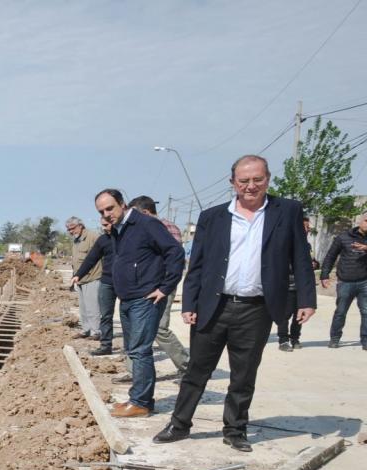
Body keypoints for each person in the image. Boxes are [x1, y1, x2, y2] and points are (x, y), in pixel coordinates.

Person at [154, 155, 316, 452]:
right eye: (244, 181)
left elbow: (301, 257)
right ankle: (179, 424)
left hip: (257, 308)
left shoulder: (287, 211)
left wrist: (306, 298)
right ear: (233, 183)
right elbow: (197, 264)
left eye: (257, 179)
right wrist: (189, 303)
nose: (251, 186)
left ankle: (235, 429)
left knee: (244, 374)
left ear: (268, 179)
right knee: (197, 371)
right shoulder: (212, 217)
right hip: (213, 306)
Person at [93, 188, 185, 418]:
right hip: (127, 297)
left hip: (145, 297)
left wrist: (165, 287)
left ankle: (141, 403)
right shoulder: (119, 229)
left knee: (140, 350)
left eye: (110, 208)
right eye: (101, 212)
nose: (106, 215)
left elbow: (175, 252)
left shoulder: (146, 224)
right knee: (133, 350)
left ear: (122, 204)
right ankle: (138, 398)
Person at [124, 196, 189, 375]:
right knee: (135, 328)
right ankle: (135, 372)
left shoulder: (165, 228)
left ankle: (187, 366)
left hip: (161, 287)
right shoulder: (140, 228)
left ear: (145, 212)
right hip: (143, 287)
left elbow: (174, 259)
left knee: (159, 329)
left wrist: (164, 287)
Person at [320, 210, 367, 350]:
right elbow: (330, 256)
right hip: (345, 281)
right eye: (366, 221)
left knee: (366, 312)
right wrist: (324, 275)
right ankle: (334, 339)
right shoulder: (343, 237)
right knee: (340, 312)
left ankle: (365, 341)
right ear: (360, 221)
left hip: (364, 282)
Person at [73, 220, 117, 354]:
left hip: (126, 281)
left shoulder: (127, 237)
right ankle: (105, 346)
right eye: (103, 225)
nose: (104, 228)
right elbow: (91, 258)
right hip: (107, 281)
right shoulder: (103, 239)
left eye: (107, 225)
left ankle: (132, 348)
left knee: (127, 315)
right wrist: (79, 274)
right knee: (106, 315)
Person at [277, 215, 319, 350]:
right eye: (304, 227)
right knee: (284, 315)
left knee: (300, 314)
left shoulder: (307, 245)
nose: (306, 229)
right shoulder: (285, 244)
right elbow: (280, 265)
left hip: (302, 287)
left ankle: (295, 338)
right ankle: (283, 340)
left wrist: (314, 264)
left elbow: (309, 263)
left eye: (308, 227)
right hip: (288, 286)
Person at [66, 216, 102, 338]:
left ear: (80, 226)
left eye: (72, 228)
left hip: (92, 277)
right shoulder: (76, 241)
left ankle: (96, 331)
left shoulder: (93, 237)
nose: (71, 231)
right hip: (80, 279)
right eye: (68, 229)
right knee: (83, 308)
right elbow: (76, 261)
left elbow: (101, 257)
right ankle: (86, 330)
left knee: (93, 307)